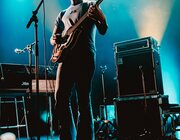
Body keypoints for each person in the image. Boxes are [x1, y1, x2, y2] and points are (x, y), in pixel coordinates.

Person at [50, 0, 108, 139]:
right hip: (65, 57)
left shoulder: (90, 5)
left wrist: (101, 17)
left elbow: (103, 29)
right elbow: (53, 39)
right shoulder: (62, 13)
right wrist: (57, 39)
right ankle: (67, 136)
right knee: (60, 97)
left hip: (85, 55)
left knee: (83, 99)